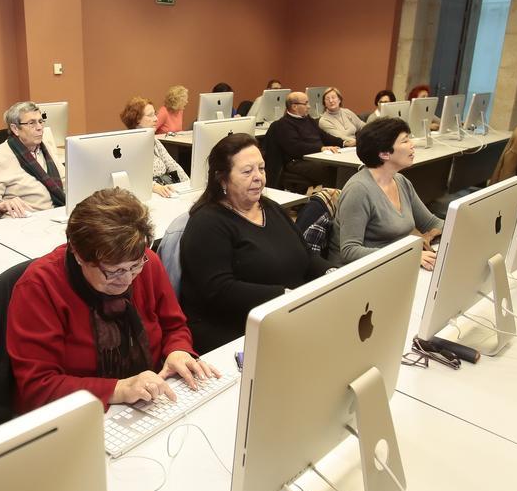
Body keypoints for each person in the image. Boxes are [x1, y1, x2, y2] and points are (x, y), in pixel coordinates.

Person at [6, 188, 215, 412]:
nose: (126, 280)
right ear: (78, 254)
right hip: (78, 414)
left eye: (134, 266)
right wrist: (119, 389)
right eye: (114, 271)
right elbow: (38, 387)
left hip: (149, 398)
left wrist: (178, 350)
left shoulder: (148, 263)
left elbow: (173, 325)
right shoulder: (40, 287)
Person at [180, 133, 330, 352]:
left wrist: (333, 272)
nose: (258, 177)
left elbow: (306, 256)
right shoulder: (207, 223)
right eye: (247, 171)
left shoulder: (271, 208)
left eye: (261, 168)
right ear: (222, 179)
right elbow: (219, 290)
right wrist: (284, 296)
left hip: (286, 315)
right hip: (235, 331)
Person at [328, 118, 443, 271]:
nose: (412, 145)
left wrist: (455, 229)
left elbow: (431, 223)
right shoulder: (358, 190)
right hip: (358, 273)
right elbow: (350, 251)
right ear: (384, 154)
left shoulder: (401, 181)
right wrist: (407, 255)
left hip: (393, 263)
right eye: (405, 141)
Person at [0, 101, 66, 220]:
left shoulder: (46, 147)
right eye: (31, 123)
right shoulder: (0, 155)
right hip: (24, 221)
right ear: (15, 129)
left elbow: (65, 182)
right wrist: (0, 205)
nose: (39, 127)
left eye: (40, 121)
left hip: (55, 216)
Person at [265, 90, 343, 190]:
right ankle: (331, 199)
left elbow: (324, 136)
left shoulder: (307, 119)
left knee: (338, 166)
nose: (309, 106)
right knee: (331, 169)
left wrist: (343, 142)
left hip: (316, 156)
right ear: (294, 107)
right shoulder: (283, 125)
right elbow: (296, 147)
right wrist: (321, 148)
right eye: (306, 103)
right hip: (297, 161)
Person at [119, 96, 189, 197]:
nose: (156, 119)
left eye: (155, 114)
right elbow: (131, 176)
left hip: (165, 190)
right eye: (150, 115)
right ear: (137, 119)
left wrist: (188, 184)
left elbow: (172, 165)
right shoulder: (126, 145)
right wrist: (153, 186)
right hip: (145, 195)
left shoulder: (154, 140)